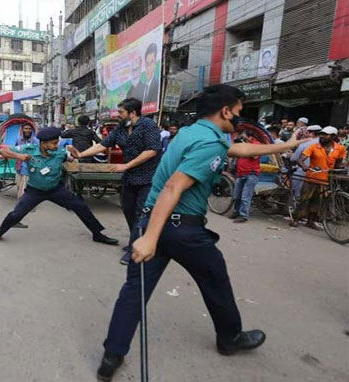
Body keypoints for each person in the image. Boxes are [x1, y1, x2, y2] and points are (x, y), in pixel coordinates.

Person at [96, 85, 307, 381]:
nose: (238, 118)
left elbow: (241, 149)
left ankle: (111, 356)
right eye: (238, 112)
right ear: (225, 111)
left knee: (134, 291)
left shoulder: (192, 133)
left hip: (151, 219)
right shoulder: (210, 143)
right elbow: (173, 187)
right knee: (216, 280)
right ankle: (229, 338)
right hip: (180, 230)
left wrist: (286, 146)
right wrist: (150, 239)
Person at [0, 127, 119, 246]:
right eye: (54, 143)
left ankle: (97, 234)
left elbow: (74, 156)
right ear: (43, 143)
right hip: (35, 191)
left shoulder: (60, 153)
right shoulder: (29, 149)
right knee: (16, 214)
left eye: (57, 142)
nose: (56, 145)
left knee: (80, 206)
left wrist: (74, 151)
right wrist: (19, 156)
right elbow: (5, 152)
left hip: (55, 189)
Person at [69, 98, 162, 265]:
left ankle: (135, 249)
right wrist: (81, 155)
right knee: (128, 210)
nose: (118, 115)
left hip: (149, 177)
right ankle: (138, 240)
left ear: (132, 112)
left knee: (141, 213)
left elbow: (152, 151)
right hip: (130, 177)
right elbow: (103, 145)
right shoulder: (121, 128)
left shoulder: (148, 126)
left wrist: (126, 165)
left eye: (121, 112)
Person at [291, 126, 346, 228]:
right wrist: (304, 166)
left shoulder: (340, 148)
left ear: (333, 136)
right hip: (311, 177)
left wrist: (343, 167)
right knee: (304, 199)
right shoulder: (314, 147)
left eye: (325, 135)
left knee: (318, 202)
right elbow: (300, 159)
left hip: (326, 180)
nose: (322, 136)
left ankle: (310, 221)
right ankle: (296, 219)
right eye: (321, 134)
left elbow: (338, 164)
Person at [228, 130, 261, 223]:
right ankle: (236, 212)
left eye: (245, 137)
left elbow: (255, 156)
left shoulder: (257, 144)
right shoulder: (244, 144)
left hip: (251, 173)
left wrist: (245, 146)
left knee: (245, 197)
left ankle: (243, 215)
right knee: (236, 195)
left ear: (250, 137)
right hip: (240, 173)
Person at [290, 125, 322, 203]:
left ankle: (294, 205)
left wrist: (289, 155)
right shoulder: (329, 144)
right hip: (322, 173)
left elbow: (294, 158)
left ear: (312, 133)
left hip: (305, 171)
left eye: (307, 132)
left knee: (297, 192)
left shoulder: (305, 143)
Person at [15, 122, 38, 198]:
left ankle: (23, 202)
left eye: (29, 129)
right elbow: (15, 149)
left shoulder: (35, 141)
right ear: (22, 130)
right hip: (19, 164)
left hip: (29, 165)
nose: (28, 130)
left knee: (24, 185)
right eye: (26, 129)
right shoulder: (18, 139)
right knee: (18, 183)